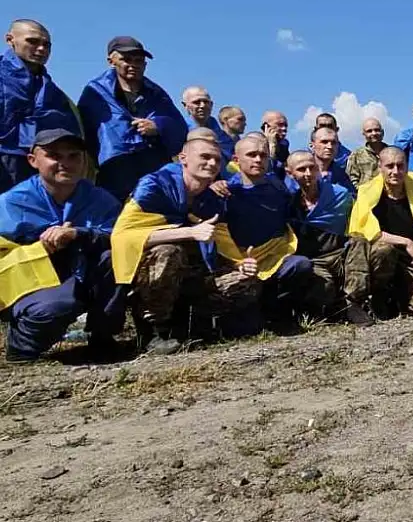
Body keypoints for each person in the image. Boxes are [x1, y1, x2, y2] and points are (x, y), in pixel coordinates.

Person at [111, 138, 262, 354]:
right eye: (205, 157)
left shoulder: (211, 199)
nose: (211, 163)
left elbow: (221, 239)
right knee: (169, 251)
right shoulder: (154, 186)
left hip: (192, 273)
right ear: (183, 159)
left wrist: (240, 264)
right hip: (150, 271)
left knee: (247, 280)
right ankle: (153, 332)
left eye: (216, 160)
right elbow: (123, 235)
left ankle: (192, 326)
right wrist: (189, 232)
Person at [0, 129, 126, 361]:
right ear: (33, 160)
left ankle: (103, 336)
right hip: (31, 281)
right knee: (56, 307)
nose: (65, 163)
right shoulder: (11, 202)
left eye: (73, 156)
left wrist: (79, 233)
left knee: (115, 256)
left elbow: (120, 236)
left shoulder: (100, 199)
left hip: (81, 273)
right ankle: (21, 348)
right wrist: (40, 245)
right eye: (54, 156)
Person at [221, 135, 314, 330]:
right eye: (251, 155)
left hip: (276, 258)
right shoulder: (225, 192)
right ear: (236, 160)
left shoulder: (277, 187)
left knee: (301, 265)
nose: (258, 160)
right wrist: (235, 262)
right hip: (240, 264)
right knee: (247, 328)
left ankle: (279, 312)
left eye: (263, 155)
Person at [78, 36, 187, 202]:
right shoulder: (96, 91)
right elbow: (88, 130)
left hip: (152, 166)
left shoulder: (156, 93)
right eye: (126, 59)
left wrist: (158, 126)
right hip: (114, 169)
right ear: (111, 61)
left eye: (139, 60)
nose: (133, 65)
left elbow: (177, 124)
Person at [347, 147, 413, 319]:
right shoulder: (367, 193)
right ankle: (368, 297)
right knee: (385, 250)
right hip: (379, 259)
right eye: (390, 166)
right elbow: (364, 231)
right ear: (380, 167)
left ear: (406, 167)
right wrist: (406, 242)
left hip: (409, 263)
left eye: (400, 166)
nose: (395, 171)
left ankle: (397, 299)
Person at [283, 151, 369, 324]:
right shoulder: (287, 203)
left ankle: (352, 302)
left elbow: (361, 220)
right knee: (324, 290)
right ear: (289, 173)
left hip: (340, 255)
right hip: (315, 261)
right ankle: (329, 306)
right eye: (301, 169)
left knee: (360, 241)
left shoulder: (339, 195)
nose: (308, 173)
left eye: (311, 167)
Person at [1, 20, 82, 193]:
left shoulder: (51, 89)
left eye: (46, 45)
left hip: (40, 165)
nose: (41, 49)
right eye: (32, 41)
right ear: (10, 40)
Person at [181, 86, 235, 164]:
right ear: (185, 105)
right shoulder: (179, 130)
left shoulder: (222, 136)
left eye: (206, 102)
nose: (202, 105)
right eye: (196, 102)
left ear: (211, 104)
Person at [307, 126, 355, 193]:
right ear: (312, 146)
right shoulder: (301, 170)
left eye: (334, 143)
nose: (330, 146)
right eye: (324, 142)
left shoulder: (343, 175)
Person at [346, 117, 386, 188]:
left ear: (382, 132)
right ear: (364, 134)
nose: (373, 133)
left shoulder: (391, 153)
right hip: (365, 195)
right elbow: (351, 178)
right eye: (369, 131)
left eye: (377, 130)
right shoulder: (357, 155)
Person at [260, 110, 291, 175]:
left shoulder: (284, 145)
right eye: (280, 125)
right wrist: (271, 146)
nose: (284, 128)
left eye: (286, 126)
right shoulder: (255, 144)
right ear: (266, 126)